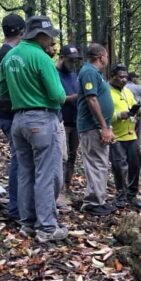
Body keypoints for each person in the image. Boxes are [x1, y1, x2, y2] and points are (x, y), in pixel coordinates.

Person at [0, 15, 67, 242]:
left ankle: (27, 223)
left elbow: (2, 93)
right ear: (40, 35)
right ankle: (47, 227)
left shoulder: (10, 56)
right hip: (42, 119)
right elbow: (58, 95)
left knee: (25, 172)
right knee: (46, 174)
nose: (51, 41)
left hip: (18, 120)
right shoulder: (41, 58)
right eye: (50, 36)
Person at [77, 43, 115, 215]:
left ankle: (99, 199)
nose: (107, 58)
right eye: (106, 55)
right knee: (95, 163)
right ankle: (93, 202)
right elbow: (92, 99)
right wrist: (103, 126)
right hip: (92, 126)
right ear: (101, 56)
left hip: (99, 126)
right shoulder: (89, 72)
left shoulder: (95, 74)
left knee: (101, 163)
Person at [0, 13, 25, 219]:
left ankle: (19, 206)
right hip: (11, 114)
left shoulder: (4, 52)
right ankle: (16, 208)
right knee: (19, 160)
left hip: (7, 113)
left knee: (20, 159)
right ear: (22, 32)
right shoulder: (10, 55)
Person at [109, 64, 141, 208]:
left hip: (131, 134)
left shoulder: (127, 91)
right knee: (119, 166)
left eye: (125, 77)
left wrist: (139, 112)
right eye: (120, 77)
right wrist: (118, 115)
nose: (123, 80)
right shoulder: (106, 92)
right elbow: (102, 115)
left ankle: (132, 195)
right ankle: (121, 195)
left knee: (135, 164)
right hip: (116, 136)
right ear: (112, 76)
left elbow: (134, 108)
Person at [57, 44, 82, 198]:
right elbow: (54, 97)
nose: (73, 64)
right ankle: (58, 189)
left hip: (75, 122)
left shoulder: (74, 76)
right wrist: (72, 98)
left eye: (75, 61)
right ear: (62, 58)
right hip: (61, 122)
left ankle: (67, 186)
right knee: (61, 156)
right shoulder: (53, 73)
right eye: (71, 60)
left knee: (72, 156)